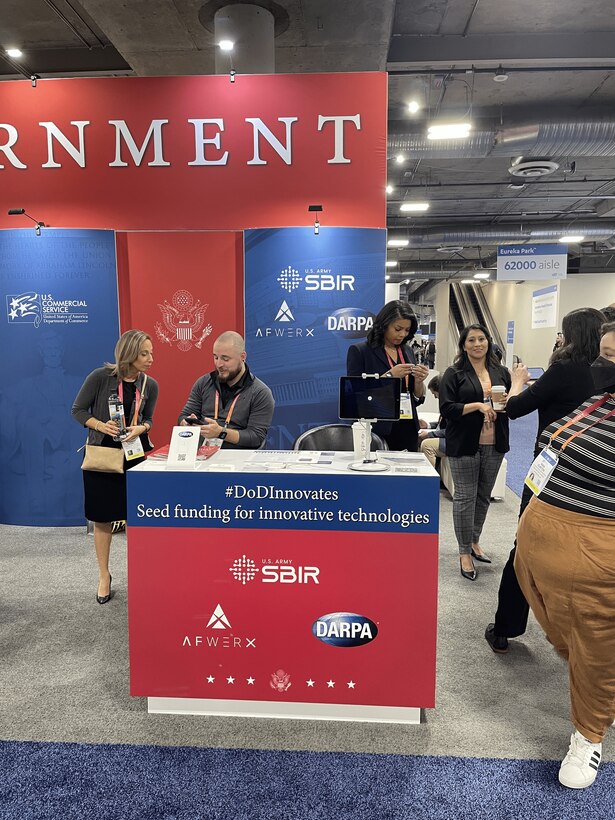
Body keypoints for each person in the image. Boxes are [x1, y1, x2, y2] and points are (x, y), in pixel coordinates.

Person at [514, 321, 615, 790]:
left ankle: (588, 735)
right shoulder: (601, 401)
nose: (601, 365)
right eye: (604, 353)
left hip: (594, 556)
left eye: (612, 358)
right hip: (542, 541)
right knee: (573, 642)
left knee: (595, 648)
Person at [485, 307, 604, 653]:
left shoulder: (564, 368)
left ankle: (506, 627)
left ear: (570, 335)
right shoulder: (601, 374)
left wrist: (518, 379)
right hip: (594, 478)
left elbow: (515, 407)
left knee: (525, 545)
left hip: (550, 471)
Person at [71, 330, 158, 604]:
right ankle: (104, 575)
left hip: (135, 455)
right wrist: (101, 425)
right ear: (129, 354)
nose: (150, 358)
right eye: (144, 353)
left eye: (151, 353)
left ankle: (141, 575)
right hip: (102, 457)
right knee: (103, 518)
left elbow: (150, 420)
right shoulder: (100, 378)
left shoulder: (150, 385)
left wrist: (140, 427)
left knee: (137, 518)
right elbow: (78, 410)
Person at [439, 323, 511, 580]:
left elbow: (509, 405)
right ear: (463, 345)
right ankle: (463, 552)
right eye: (472, 340)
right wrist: (478, 405)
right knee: (465, 497)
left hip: (495, 441)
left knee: (483, 496)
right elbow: (448, 409)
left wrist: (506, 401)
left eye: (482, 339)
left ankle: (474, 540)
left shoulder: (501, 372)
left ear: (489, 342)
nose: (478, 344)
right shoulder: (454, 373)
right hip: (465, 443)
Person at [346, 300, 430, 452]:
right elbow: (355, 395)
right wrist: (389, 376)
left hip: (407, 426)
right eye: (398, 329)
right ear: (384, 325)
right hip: (377, 427)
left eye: (406, 330)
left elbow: (416, 398)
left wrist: (418, 382)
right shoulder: (361, 351)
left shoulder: (407, 351)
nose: (402, 334)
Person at [178, 331, 274, 449]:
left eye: (225, 359)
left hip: (238, 460)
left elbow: (255, 437)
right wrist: (186, 422)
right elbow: (183, 416)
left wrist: (221, 433)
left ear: (242, 357)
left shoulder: (260, 392)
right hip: (201, 457)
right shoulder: (203, 383)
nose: (219, 364)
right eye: (216, 357)